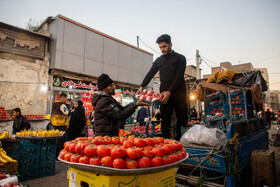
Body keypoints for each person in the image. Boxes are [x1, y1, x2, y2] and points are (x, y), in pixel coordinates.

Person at [137, 34, 187, 140]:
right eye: (160, 47)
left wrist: (170, 92)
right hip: (164, 96)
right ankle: (166, 146)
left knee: (182, 122)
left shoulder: (180, 58)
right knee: (165, 122)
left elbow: (179, 76)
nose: (162, 49)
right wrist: (142, 85)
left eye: (164, 46)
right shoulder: (159, 61)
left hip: (179, 95)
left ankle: (181, 145)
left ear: (170, 44)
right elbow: (150, 73)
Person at [51, 93, 69, 158]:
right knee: (60, 142)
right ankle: (58, 156)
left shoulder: (54, 104)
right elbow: (67, 112)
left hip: (54, 125)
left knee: (56, 141)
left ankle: (54, 155)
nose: (66, 99)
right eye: (66, 98)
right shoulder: (62, 105)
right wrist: (69, 108)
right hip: (61, 126)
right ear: (63, 98)